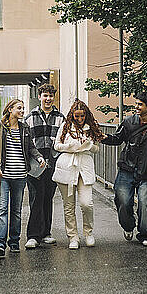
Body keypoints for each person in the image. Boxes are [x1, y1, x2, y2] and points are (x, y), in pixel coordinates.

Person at [101, 91, 147, 246]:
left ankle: (144, 234)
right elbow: (117, 139)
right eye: (136, 103)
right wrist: (103, 138)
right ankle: (128, 226)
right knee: (122, 201)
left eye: (140, 104)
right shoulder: (128, 122)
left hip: (146, 171)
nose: (136, 107)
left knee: (145, 203)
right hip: (127, 168)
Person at [0, 99, 45, 256]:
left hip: (20, 175)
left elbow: (31, 148)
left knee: (16, 211)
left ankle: (14, 242)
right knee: (2, 209)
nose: (22, 111)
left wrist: (39, 157)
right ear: (10, 109)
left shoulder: (24, 127)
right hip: (4, 176)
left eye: (23, 108)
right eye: (19, 108)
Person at [53, 100, 104, 249]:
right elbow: (57, 146)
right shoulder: (65, 127)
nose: (80, 119)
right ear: (72, 115)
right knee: (68, 206)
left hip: (84, 168)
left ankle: (88, 233)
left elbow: (96, 149)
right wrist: (70, 146)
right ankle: (73, 237)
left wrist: (88, 144)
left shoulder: (92, 128)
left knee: (86, 203)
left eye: (82, 116)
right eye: (77, 116)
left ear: (86, 115)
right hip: (67, 167)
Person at [24, 84, 65, 249]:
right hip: (35, 166)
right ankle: (33, 235)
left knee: (48, 198)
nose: (48, 99)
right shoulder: (29, 118)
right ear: (39, 97)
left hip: (52, 164)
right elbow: (26, 143)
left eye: (50, 96)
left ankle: (46, 233)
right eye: (45, 96)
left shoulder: (61, 118)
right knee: (35, 199)